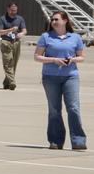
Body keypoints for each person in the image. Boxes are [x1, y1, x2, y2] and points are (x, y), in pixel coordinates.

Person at [34, 11, 87, 150]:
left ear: (65, 21)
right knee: (54, 110)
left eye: (56, 19)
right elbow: (37, 56)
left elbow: (82, 57)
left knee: (73, 108)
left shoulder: (75, 37)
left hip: (71, 76)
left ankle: (78, 140)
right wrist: (54, 60)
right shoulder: (46, 37)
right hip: (50, 77)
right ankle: (56, 140)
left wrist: (73, 60)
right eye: (52, 20)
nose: (53, 22)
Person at [0, 2, 27, 90]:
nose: (14, 12)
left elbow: (25, 30)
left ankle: (6, 82)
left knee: (14, 64)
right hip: (6, 42)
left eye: (15, 10)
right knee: (8, 62)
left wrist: (21, 34)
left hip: (16, 43)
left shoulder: (20, 19)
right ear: (8, 9)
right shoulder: (2, 19)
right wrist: (10, 30)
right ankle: (12, 82)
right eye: (12, 10)